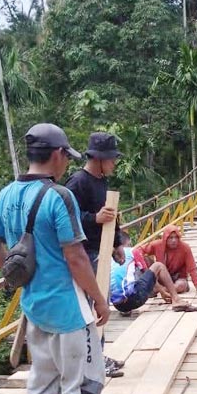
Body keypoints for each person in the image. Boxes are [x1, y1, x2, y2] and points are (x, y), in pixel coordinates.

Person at [0, 122, 121, 394]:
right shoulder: (60, 197)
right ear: (57, 155)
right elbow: (75, 257)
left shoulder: (8, 193)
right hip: (69, 307)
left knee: (42, 378)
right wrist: (99, 299)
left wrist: (14, 275)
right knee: (83, 381)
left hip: (34, 305)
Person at [65, 131, 125, 377]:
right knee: (89, 309)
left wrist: (117, 243)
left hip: (100, 251)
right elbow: (66, 218)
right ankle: (91, 361)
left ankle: (97, 356)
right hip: (84, 255)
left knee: (100, 308)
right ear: (99, 158)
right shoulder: (77, 182)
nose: (114, 163)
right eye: (111, 159)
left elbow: (111, 213)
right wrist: (93, 218)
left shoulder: (101, 180)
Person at [110, 236, 197, 315]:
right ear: (127, 243)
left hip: (117, 305)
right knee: (158, 266)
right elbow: (146, 272)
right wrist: (162, 292)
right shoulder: (132, 251)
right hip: (135, 299)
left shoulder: (109, 256)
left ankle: (125, 309)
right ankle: (176, 300)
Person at [133, 225, 197, 295]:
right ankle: (159, 289)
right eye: (170, 238)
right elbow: (138, 251)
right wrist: (144, 266)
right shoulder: (157, 245)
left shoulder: (185, 248)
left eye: (176, 237)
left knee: (181, 285)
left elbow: (192, 268)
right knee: (145, 258)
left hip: (178, 278)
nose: (174, 240)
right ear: (165, 238)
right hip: (161, 277)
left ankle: (160, 290)